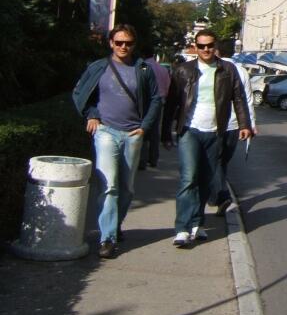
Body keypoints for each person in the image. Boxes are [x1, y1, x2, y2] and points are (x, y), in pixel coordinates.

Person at [71, 24, 163, 259]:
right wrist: (91, 114)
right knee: (109, 185)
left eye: (128, 43)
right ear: (111, 43)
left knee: (127, 187)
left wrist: (144, 127)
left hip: (133, 134)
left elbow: (156, 99)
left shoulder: (143, 68)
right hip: (105, 131)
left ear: (134, 44)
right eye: (119, 42)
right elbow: (80, 92)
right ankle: (108, 238)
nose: (123, 46)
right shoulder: (99, 67)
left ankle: (115, 224)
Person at [161, 29, 251, 248]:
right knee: (188, 178)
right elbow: (171, 103)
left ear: (215, 45)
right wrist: (165, 133)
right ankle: (182, 228)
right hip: (189, 130)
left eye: (210, 45)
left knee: (205, 180)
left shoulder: (227, 69)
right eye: (201, 46)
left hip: (215, 131)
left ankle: (197, 223)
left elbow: (238, 97)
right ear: (195, 47)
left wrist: (244, 124)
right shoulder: (183, 70)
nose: (206, 49)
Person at [212, 54, 257, 214]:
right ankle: (219, 197)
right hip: (235, 125)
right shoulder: (242, 71)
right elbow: (248, 100)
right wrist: (250, 124)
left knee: (214, 161)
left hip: (216, 123)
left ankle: (221, 197)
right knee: (222, 162)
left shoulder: (214, 68)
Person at [139, 44, 170, 170]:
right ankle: (153, 158)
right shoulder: (162, 69)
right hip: (160, 101)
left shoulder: (143, 67)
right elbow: (167, 86)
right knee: (155, 130)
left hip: (146, 101)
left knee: (143, 128)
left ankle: (142, 159)